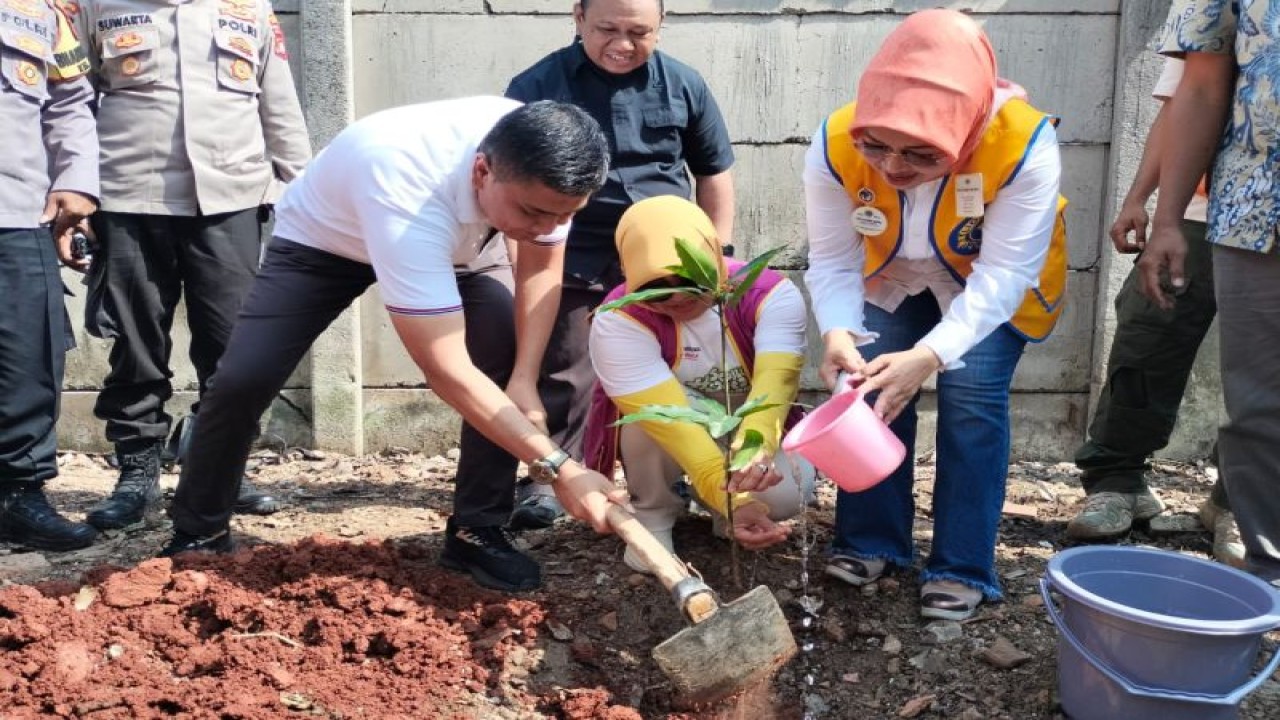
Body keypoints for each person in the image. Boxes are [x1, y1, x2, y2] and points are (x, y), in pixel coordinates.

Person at [160, 97, 630, 593]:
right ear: (481, 171)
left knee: (500, 341)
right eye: (535, 212)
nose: (547, 228)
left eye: (564, 216)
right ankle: (200, 528)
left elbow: (540, 265)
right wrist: (557, 467)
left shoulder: (550, 167)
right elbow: (446, 368)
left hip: (466, 246)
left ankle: (477, 530)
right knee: (244, 375)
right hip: (328, 242)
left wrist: (524, 379)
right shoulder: (404, 182)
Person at [804, 9, 1068, 620]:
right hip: (893, 275)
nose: (893, 167)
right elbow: (833, 258)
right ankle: (870, 540)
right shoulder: (835, 139)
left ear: (967, 130)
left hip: (985, 285)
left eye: (921, 155)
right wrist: (838, 330)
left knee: (972, 407)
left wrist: (929, 355)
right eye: (878, 146)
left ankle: (960, 565)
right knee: (869, 391)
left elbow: (1003, 276)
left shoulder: (1024, 143)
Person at [68, 0, 312, 530]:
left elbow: (279, 104)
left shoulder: (248, 7)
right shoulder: (96, 6)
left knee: (235, 349)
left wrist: (303, 193)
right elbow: (73, 104)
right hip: (128, 199)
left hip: (232, 199)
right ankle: (137, 470)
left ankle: (220, 463)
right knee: (135, 347)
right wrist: (75, 193)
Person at [503, 0, 735, 531]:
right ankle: (552, 480)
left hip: (666, 258)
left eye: (639, 32)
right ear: (578, 16)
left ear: (661, 26)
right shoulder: (537, 85)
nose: (623, 44)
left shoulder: (684, 84)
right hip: (571, 248)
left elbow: (714, 173)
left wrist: (715, 257)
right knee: (566, 371)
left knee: (678, 366)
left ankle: (678, 480)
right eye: (608, 29)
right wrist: (523, 261)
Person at [1067, 55, 1242, 566]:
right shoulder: (1224, 14)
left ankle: (1239, 501)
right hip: (1197, 210)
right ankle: (1117, 481)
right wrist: (1140, 196)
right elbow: (1180, 105)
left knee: (1266, 374)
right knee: (1147, 340)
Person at [583, 196, 812, 572]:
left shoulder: (769, 295)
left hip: (745, 419)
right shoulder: (619, 319)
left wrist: (754, 451)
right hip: (674, 424)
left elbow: (776, 383)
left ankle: (724, 517)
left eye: (689, 279)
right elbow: (670, 422)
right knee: (644, 420)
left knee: (787, 493)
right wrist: (731, 496)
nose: (675, 297)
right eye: (656, 287)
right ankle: (653, 515)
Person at [1140, 0, 1280, 586]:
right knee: (1260, 408)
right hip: (1257, 216)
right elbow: (1199, 87)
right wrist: (1166, 217)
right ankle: (1269, 575)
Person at [0, 0, 100, 550]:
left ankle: (18, 496)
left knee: (28, 361)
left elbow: (69, 101)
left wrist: (77, 180)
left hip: (17, 209)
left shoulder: (40, 10)